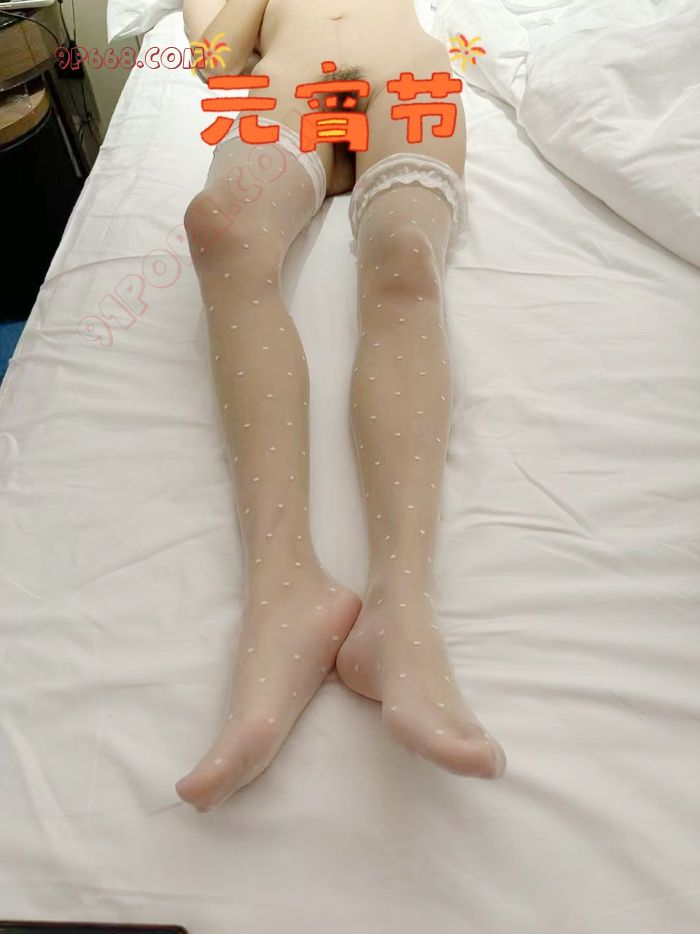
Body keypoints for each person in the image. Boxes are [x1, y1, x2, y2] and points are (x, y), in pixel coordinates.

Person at [176, 0, 506, 813]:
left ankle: (401, 611)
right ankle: (285, 593)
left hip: (404, 82)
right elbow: (215, 60)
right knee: (220, 231)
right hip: (284, 87)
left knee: (405, 259)